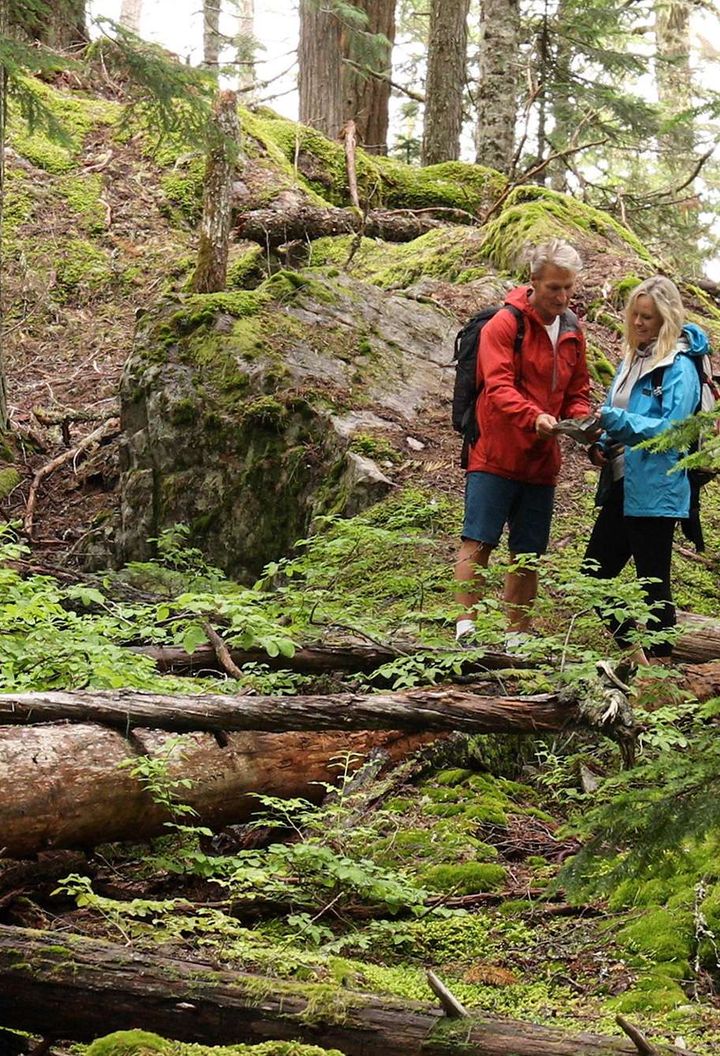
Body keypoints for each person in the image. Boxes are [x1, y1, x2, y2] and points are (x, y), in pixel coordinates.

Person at [454, 238, 592, 647]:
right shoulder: (505, 324)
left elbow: (578, 387)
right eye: (554, 288)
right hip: (495, 451)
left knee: (528, 550)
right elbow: (497, 386)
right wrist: (535, 417)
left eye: (569, 287)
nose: (563, 296)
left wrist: (579, 417)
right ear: (533, 282)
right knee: (479, 539)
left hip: (541, 461)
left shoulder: (572, 330)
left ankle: (518, 634)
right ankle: (465, 627)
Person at [583, 275, 708, 665]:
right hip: (622, 483)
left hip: (658, 487)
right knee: (593, 576)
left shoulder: (680, 367)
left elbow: (674, 431)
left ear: (666, 320)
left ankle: (662, 672)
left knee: (653, 584)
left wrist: (618, 422)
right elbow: (616, 413)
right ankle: (637, 657)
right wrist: (600, 445)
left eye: (648, 318)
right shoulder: (631, 359)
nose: (638, 323)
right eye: (635, 315)